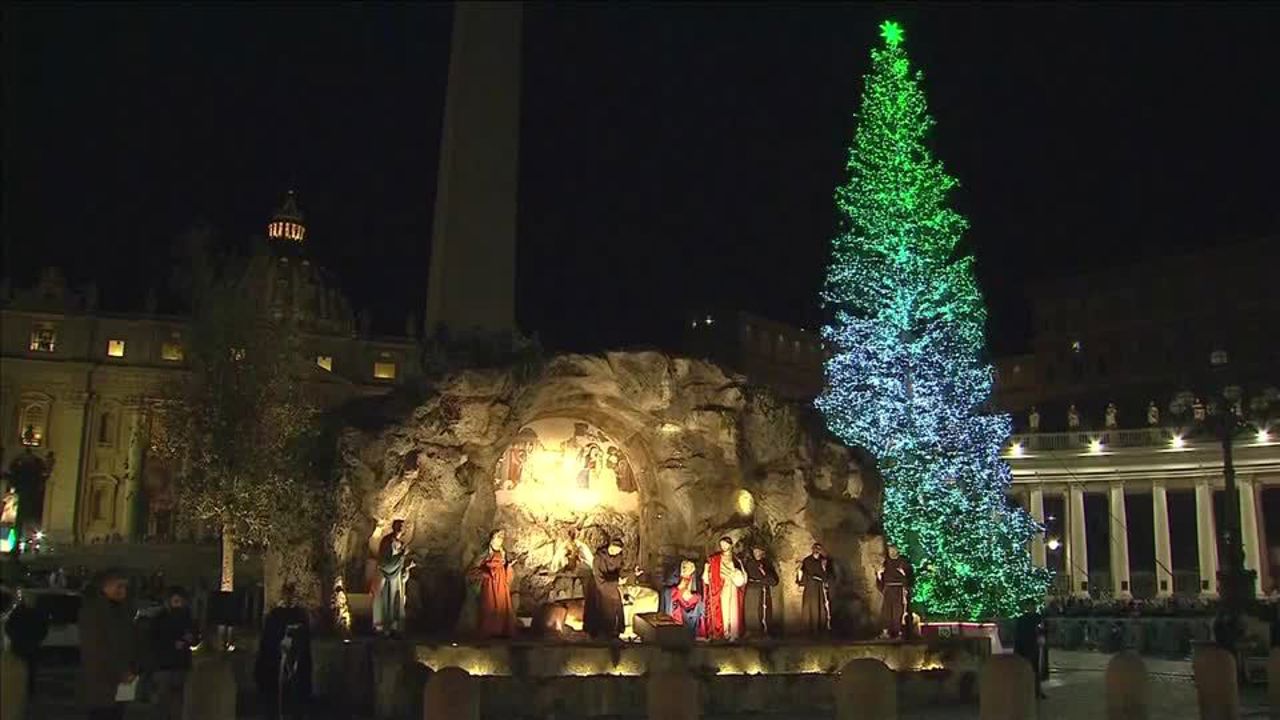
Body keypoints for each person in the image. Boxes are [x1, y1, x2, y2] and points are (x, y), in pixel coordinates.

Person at [78, 568, 138, 720]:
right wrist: (121, 671)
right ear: (106, 587)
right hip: (102, 681)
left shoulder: (122, 610)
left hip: (118, 682)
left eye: (125, 587)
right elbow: (97, 649)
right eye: (119, 586)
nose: (123, 591)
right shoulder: (94, 611)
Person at [255, 583, 312, 720]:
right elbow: (267, 640)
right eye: (287, 594)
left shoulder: (300, 614)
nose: (289, 597)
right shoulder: (275, 615)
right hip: (275, 663)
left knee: (295, 698)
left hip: (296, 663)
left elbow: (305, 640)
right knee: (276, 700)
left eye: (291, 594)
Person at [150, 586, 199, 720]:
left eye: (180, 601)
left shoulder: (188, 617)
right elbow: (153, 641)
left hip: (181, 664)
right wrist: (171, 644)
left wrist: (191, 639)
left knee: (177, 700)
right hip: (163, 665)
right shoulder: (159, 619)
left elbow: (196, 637)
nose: (178, 604)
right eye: (175, 601)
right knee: (163, 702)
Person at [468, 529, 517, 638]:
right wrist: (486, 574)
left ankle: (501, 630)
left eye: (502, 537)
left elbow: (506, 569)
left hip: (501, 584)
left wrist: (509, 567)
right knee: (489, 605)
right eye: (498, 537)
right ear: (492, 539)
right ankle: (489, 630)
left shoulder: (503, 554)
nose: (500, 539)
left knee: (501, 606)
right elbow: (472, 570)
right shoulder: (485, 554)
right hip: (490, 584)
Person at [4, 587, 50, 698]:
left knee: (21, 668)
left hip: (20, 644)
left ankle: (22, 690)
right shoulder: (37, 613)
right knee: (30, 670)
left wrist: (15, 638)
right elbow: (43, 629)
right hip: (30, 645)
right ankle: (29, 691)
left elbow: (9, 627)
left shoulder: (19, 612)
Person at [372, 519, 414, 636]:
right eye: (398, 526)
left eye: (402, 526)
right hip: (386, 577)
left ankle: (394, 628)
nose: (400, 528)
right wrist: (401, 555)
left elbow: (399, 563)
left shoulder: (400, 544)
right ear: (393, 527)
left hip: (396, 578)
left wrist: (407, 567)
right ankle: (383, 629)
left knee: (395, 600)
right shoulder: (387, 541)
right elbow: (385, 563)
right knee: (386, 601)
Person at [701, 536, 746, 641]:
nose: (723, 546)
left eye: (725, 544)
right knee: (724, 609)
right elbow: (710, 575)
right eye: (721, 545)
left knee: (734, 609)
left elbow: (743, 574)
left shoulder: (736, 559)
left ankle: (733, 633)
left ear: (730, 545)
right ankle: (724, 631)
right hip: (722, 585)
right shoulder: (715, 559)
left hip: (733, 585)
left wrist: (737, 574)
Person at [584, 538, 627, 639]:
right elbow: (599, 579)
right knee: (600, 609)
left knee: (616, 607)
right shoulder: (599, 558)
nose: (616, 552)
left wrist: (632, 573)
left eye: (618, 551)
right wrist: (616, 582)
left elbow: (620, 571)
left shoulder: (618, 557)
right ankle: (599, 634)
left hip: (612, 585)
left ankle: (614, 631)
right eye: (614, 549)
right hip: (599, 586)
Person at [1013, 599, 1047, 699]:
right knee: (1026, 669)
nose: (1031, 608)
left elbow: (1042, 630)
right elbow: (1018, 635)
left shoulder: (1038, 618)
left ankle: (1036, 690)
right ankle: (1027, 689)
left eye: (1033, 606)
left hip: (1033, 646)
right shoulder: (1023, 619)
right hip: (1025, 646)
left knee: (1034, 669)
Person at [876, 545, 912, 639]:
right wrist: (879, 576)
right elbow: (881, 576)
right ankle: (885, 631)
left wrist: (905, 583)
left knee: (898, 610)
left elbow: (909, 576)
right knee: (886, 610)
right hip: (888, 589)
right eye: (890, 550)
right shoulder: (886, 563)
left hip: (898, 588)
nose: (891, 552)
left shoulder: (902, 562)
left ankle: (898, 631)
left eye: (893, 550)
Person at [796, 543, 833, 635]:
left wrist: (824, 569)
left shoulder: (824, 561)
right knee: (809, 608)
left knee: (820, 608)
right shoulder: (807, 561)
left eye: (819, 549)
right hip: (810, 588)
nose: (816, 551)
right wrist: (801, 582)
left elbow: (829, 576)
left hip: (820, 588)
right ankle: (808, 630)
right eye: (815, 549)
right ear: (812, 549)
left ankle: (820, 629)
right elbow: (803, 574)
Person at [743, 546, 779, 638]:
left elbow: (774, 580)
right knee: (751, 610)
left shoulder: (767, 564)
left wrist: (764, 575)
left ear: (762, 552)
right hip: (751, 590)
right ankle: (751, 630)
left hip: (763, 590)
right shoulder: (748, 563)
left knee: (763, 611)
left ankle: (764, 631)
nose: (757, 553)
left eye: (759, 551)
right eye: (755, 551)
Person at [661, 560, 704, 635]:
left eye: (689, 576)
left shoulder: (698, 600)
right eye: (684, 575)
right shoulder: (669, 594)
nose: (686, 579)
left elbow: (701, 624)